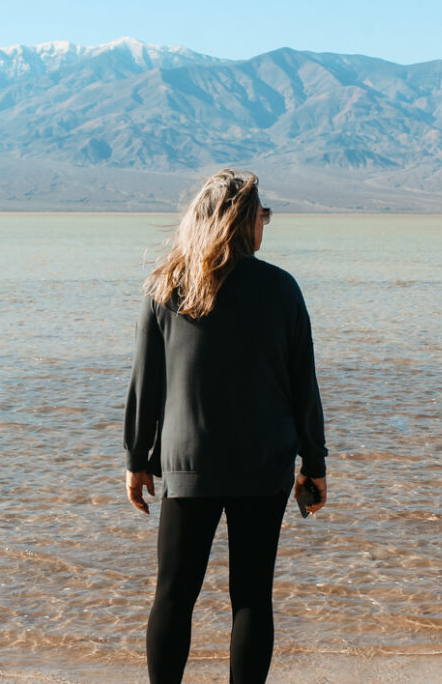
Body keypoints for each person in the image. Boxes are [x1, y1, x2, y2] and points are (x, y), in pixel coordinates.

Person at [123, 169, 328, 684]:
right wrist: (315, 463)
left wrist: (137, 460)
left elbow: (146, 384)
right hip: (264, 465)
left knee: (173, 594)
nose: (267, 225)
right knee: (252, 597)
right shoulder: (281, 289)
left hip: (189, 464)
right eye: (264, 216)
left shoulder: (166, 286)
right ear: (243, 222)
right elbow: (304, 383)